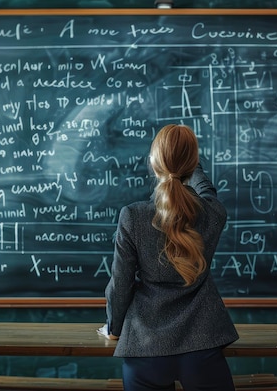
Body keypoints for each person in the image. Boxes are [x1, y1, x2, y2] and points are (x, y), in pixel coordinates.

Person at [100, 124, 239, 391]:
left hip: (145, 347)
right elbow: (206, 190)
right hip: (203, 344)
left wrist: (114, 328)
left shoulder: (133, 216)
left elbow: (120, 283)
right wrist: (190, 164)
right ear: (194, 164)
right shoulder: (213, 213)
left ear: (154, 163)